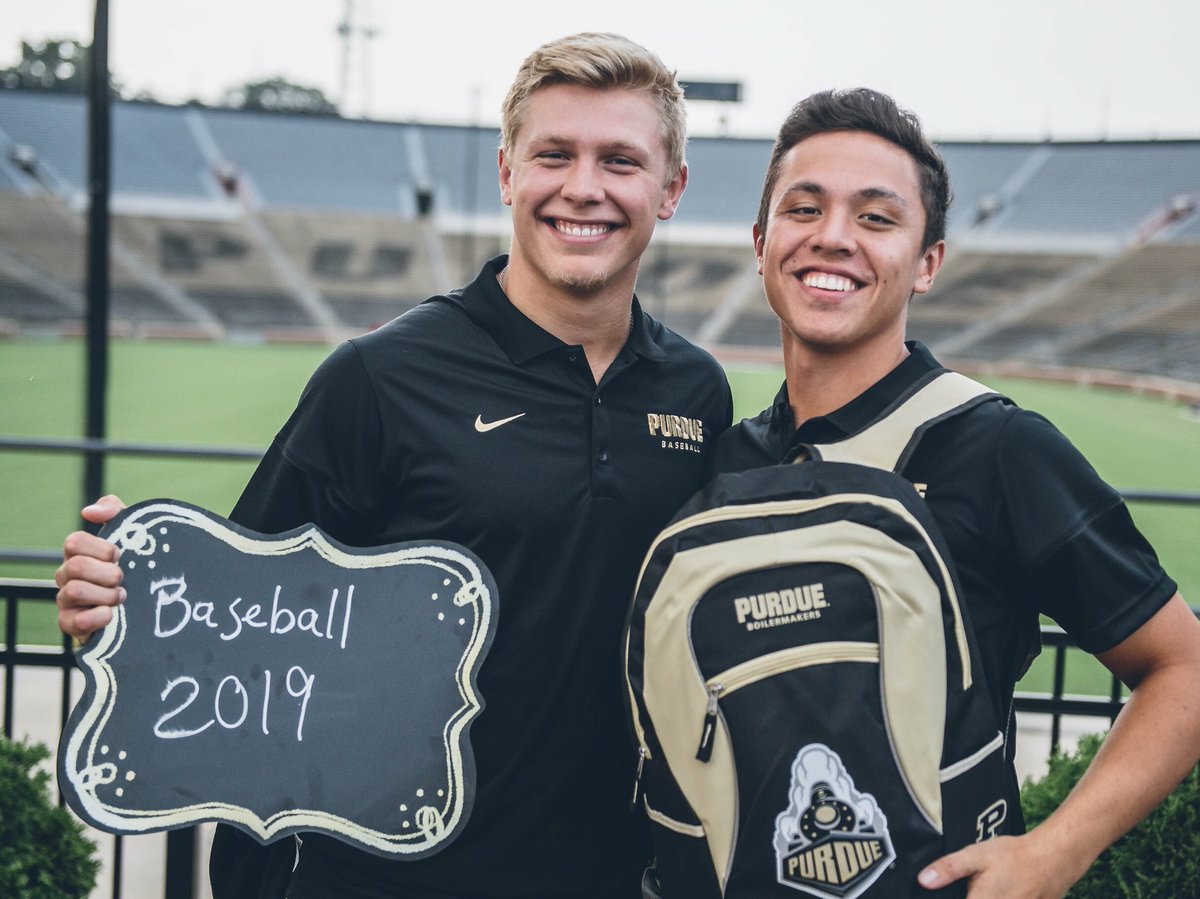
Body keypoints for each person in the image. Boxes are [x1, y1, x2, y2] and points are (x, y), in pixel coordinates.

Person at [54, 33, 733, 899]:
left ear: (670, 188)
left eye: (621, 160)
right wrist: (124, 599)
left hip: (609, 877)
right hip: (378, 879)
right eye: (554, 154)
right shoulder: (379, 378)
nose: (583, 186)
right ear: (507, 173)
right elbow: (238, 614)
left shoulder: (697, 393)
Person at [703, 87, 1200, 896]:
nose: (833, 236)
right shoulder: (729, 457)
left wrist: (1056, 849)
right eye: (804, 208)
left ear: (927, 262)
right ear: (761, 243)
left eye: (876, 217)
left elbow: (1184, 666)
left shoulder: (1000, 447)